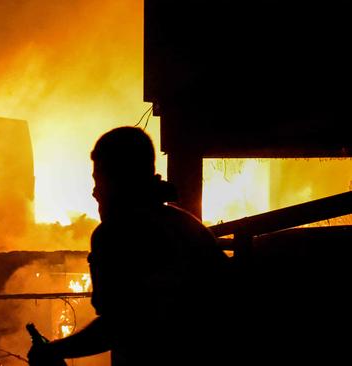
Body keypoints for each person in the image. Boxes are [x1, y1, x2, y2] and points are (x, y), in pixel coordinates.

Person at [28, 127, 230, 365]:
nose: (95, 192)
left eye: (98, 180)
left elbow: (118, 326)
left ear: (117, 180)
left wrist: (53, 351)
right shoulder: (187, 225)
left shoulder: (116, 234)